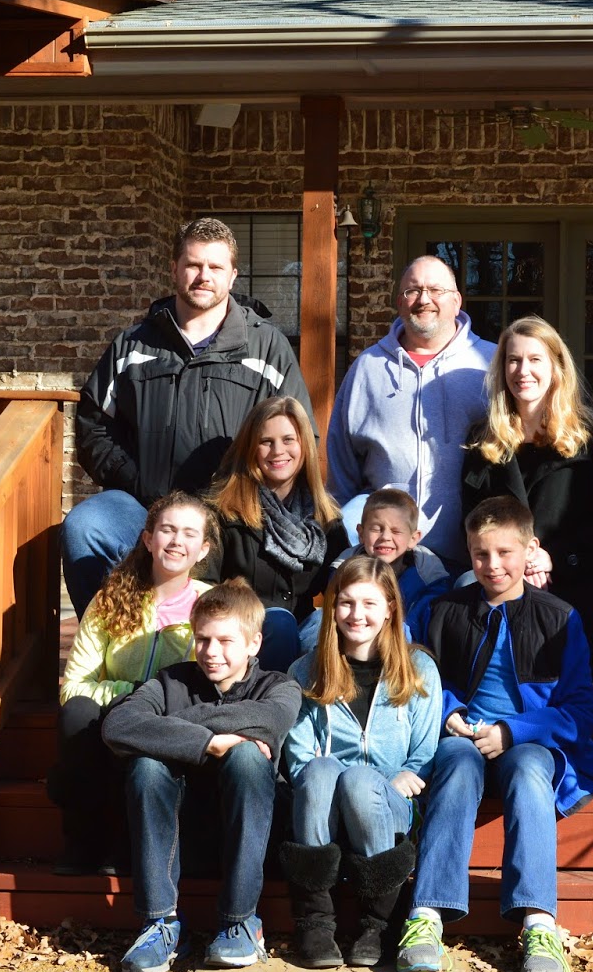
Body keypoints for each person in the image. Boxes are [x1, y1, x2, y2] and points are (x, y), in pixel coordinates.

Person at [395, 497, 593, 972]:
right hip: (463, 737)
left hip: (530, 740)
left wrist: (513, 731)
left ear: (530, 549)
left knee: (530, 769)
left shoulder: (559, 618)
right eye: (480, 554)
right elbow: (417, 676)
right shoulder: (444, 611)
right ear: (468, 553)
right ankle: (427, 914)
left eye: (504, 553)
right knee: (455, 766)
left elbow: (581, 711)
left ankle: (538, 922)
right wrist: (449, 712)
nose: (492, 565)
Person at [63, 217, 313, 617]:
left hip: (232, 519)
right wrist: (135, 480)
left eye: (215, 267)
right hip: (145, 510)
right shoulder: (134, 345)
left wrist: (247, 496)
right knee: (85, 525)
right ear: (175, 269)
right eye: (193, 265)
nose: (203, 276)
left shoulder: (266, 346)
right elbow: (94, 425)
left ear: (232, 275)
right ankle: (112, 638)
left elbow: (299, 437)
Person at [100, 578, 302, 972]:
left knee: (247, 757)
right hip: (175, 833)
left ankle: (241, 921)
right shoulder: (171, 681)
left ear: (254, 644)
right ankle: (160, 923)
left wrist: (169, 727)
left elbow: (270, 719)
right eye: (203, 639)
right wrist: (208, 742)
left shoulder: (278, 687)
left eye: (225, 641)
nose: (211, 652)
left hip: (248, 831)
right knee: (146, 766)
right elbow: (118, 724)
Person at [280, 556, 441, 968]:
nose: (357, 614)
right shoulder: (305, 670)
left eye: (370, 603)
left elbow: (423, 754)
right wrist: (349, 777)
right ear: (332, 607)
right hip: (324, 804)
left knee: (359, 781)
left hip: (389, 805)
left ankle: (377, 923)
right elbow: (299, 758)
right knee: (320, 772)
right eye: (347, 602)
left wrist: (394, 777)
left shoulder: (418, 669)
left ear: (390, 609)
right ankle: (315, 921)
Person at [51, 491, 214, 876]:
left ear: (203, 550)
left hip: (173, 721)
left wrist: (155, 703)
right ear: (148, 539)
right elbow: (73, 684)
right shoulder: (110, 600)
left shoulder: (213, 606)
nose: (176, 541)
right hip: (113, 718)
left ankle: (133, 843)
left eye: (189, 534)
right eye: (167, 530)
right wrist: (132, 695)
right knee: (76, 713)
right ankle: (84, 839)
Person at [461, 316, 593, 680]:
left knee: (569, 696)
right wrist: (517, 561)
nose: (523, 370)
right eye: (513, 360)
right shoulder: (483, 440)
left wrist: (551, 558)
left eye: (535, 359)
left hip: (576, 578)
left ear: (556, 368)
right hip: (502, 578)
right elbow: (474, 519)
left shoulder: (592, 435)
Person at [326, 255, 495, 573]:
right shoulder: (368, 367)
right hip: (386, 558)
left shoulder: (489, 363)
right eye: (412, 290)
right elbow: (341, 461)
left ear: (457, 301)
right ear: (399, 302)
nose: (424, 299)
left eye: (436, 290)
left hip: (470, 554)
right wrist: (343, 530)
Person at [206, 396, 347, 672]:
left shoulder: (324, 516)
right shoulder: (224, 511)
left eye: (288, 440)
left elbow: (346, 579)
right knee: (281, 624)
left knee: (329, 623)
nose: (278, 451)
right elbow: (205, 587)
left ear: (304, 445)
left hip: (303, 627)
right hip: (242, 633)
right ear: (251, 447)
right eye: (266, 442)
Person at [309, 487, 450, 647]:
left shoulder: (428, 578)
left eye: (396, 531)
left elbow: (428, 631)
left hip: (407, 649)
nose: (385, 537)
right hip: (351, 641)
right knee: (317, 622)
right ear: (361, 533)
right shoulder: (342, 571)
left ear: (413, 538)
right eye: (376, 529)